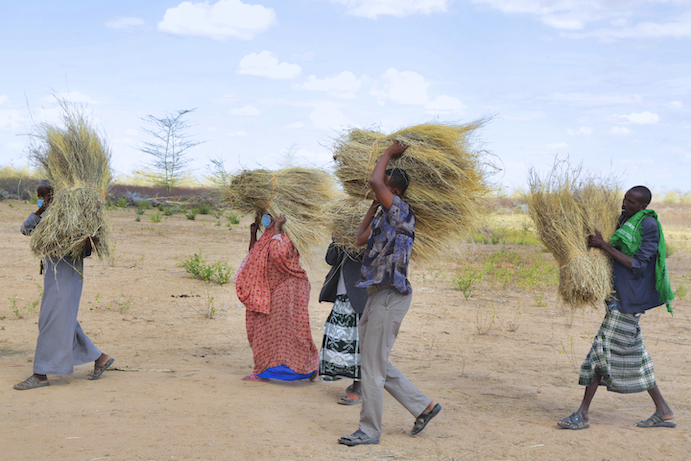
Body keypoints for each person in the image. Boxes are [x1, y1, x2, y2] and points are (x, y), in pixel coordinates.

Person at [338, 141, 441, 446]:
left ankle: (369, 431)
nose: (376, 190)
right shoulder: (385, 216)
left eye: (382, 190)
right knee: (374, 361)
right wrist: (372, 205)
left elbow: (374, 180)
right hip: (376, 295)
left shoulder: (401, 212)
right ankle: (423, 405)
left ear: (394, 193)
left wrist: (388, 154)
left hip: (391, 296)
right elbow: (359, 238)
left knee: (371, 367)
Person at [558, 186, 675, 430]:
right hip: (617, 297)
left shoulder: (647, 225)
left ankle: (583, 414)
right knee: (635, 356)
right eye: (625, 198)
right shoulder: (624, 220)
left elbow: (639, 265)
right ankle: (663, 409)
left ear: (643, 206)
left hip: (629, 301)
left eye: (631, 202)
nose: (625, 203)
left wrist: (604, 246)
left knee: (600, 353)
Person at [14, 180, 114, 390]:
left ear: (55, 194)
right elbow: (25, 230)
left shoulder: (72, 216)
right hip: (53, 275)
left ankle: (40, 374)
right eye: (39, 195)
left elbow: (87, 245)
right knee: (60, 320)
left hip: (68, 274)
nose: (41, 198)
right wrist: (42, 208)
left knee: (52, 320)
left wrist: (89, 242)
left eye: (44, 195)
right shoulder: (47, 216)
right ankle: (100, 358)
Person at [235, 213, 319, 381]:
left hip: (288, 291)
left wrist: (278, 229)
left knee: (292, 333)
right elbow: (254, 254)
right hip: (266, 292)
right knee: (262, 332)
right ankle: (263, 371)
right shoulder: (269, 235)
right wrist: (253, 233)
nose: (266, 218)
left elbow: (277, 256)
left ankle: (308, 367)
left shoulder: (287, 235)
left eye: (269, 216)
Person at [318, 242, 368, 404]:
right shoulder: (343, 230)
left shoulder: (372, 230)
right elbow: (330, 259)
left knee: (358, 342)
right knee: (338, 339)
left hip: (360, 295)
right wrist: (339, 243)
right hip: (342, 294)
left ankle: (358, 386)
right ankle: (356, 382)